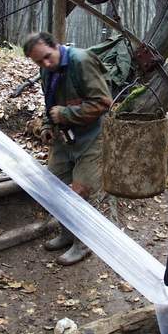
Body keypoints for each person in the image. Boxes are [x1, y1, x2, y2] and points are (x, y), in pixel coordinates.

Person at [23, 32, 112, 266]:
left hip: (92, 138)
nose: (45, 64)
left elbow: (103, 102)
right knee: (55, 187)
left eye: (47, 57)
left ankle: (83, 244)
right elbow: (49, 103)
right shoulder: (46, 70)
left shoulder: (81, 60)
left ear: (56, 46)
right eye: (39, 62)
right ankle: (67, 233)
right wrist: (47, 126)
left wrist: (66, 114)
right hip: (64, 138)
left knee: (82, 191)